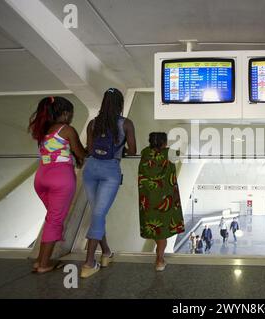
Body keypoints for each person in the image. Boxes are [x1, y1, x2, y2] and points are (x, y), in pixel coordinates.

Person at [81, 88, 137, 279]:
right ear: (120, 104)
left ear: (104, 102)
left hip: (90, 170)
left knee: (98, 213)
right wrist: (118, 149)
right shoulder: (126, 124)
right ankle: (88, 263)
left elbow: (88, 148)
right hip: (110, 171)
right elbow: (133, 150)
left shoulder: (93, 123)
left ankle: (106, 253)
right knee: (98, 214)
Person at [29, 96, 86, 273]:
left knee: (51, 218)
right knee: (55, 220)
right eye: (71, 114)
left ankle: (40, 261)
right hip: (61, 178)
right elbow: (81, 153)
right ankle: (44, 265)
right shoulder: (66, 129)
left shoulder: (43, 131)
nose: (71, 117)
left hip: (41, 177)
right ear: (65, 113)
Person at [139, 132, 185, 271]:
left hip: (147, 197)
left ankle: (159, 258)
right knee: (162, 229)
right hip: (165, 198)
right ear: (164, 143)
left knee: (153, 226)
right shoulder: (169, 153)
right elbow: (179, 154)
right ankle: (159, 260)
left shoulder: (145, 152)